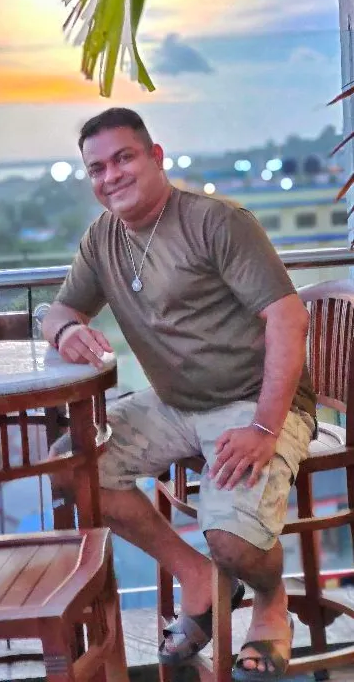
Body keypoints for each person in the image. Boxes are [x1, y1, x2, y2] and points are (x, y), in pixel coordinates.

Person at [42, 107, 316, 680]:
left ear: (155, 157)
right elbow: (62, 309)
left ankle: (271, 604)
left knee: (231, 540)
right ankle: (199, 581)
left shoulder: (217, 222)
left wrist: (266, 426)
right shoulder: (104, 239)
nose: (111, 176)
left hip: (256, 400)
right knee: (73, 464)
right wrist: (68, 330)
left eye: (124, 158)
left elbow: (287, 320)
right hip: (175, 403)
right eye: (97, 168)